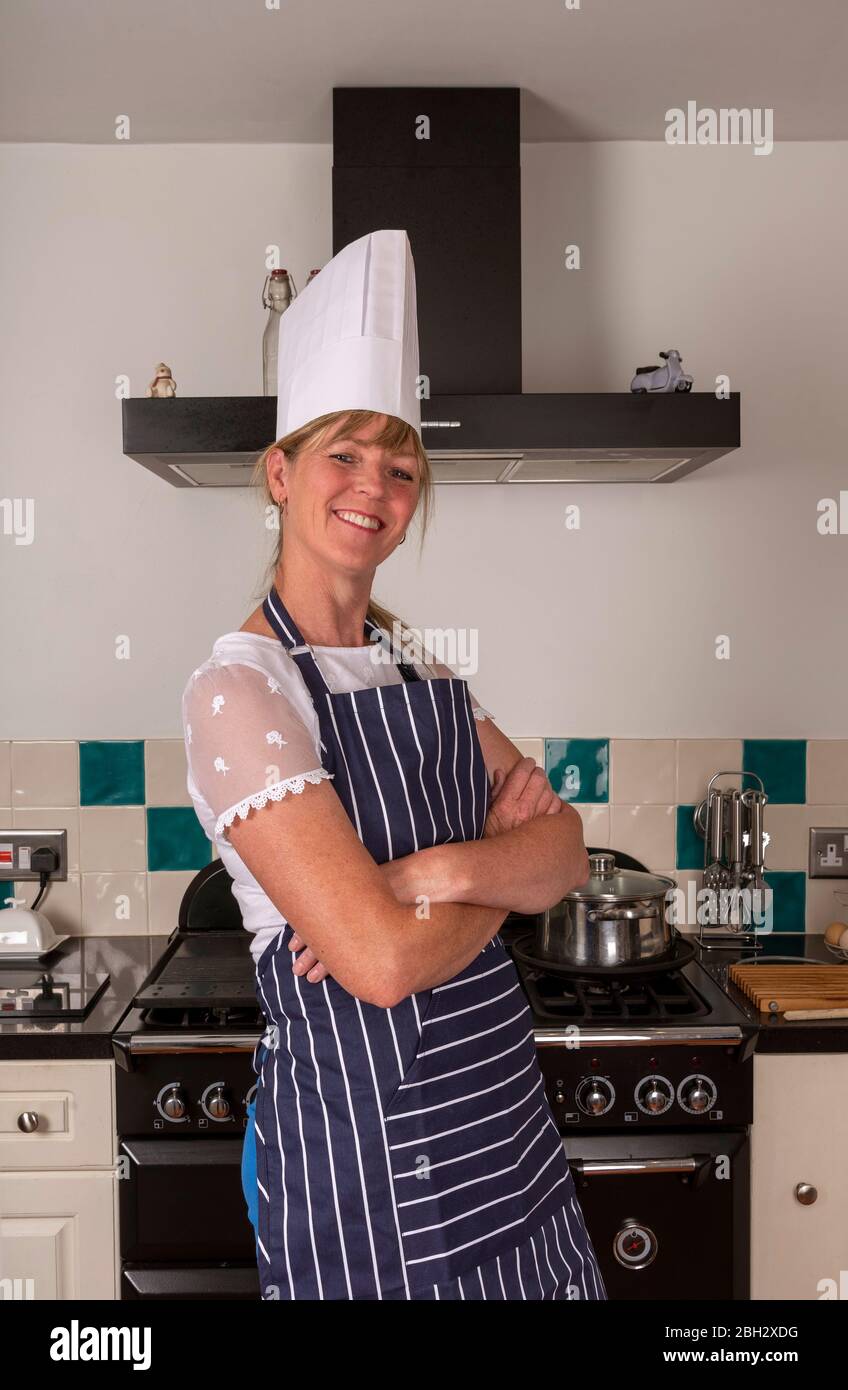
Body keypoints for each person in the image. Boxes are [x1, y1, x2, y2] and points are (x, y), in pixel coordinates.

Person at [182, 229, 607, 1301]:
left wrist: (431, 878)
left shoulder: (412, 664)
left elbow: (564, 851)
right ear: (278, 473)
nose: (374, 486)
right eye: (343, 455)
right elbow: (373, 966)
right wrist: (492, 873)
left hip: (509, 1149)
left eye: (400, 467)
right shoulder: (241, 691)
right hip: (372, 1182)